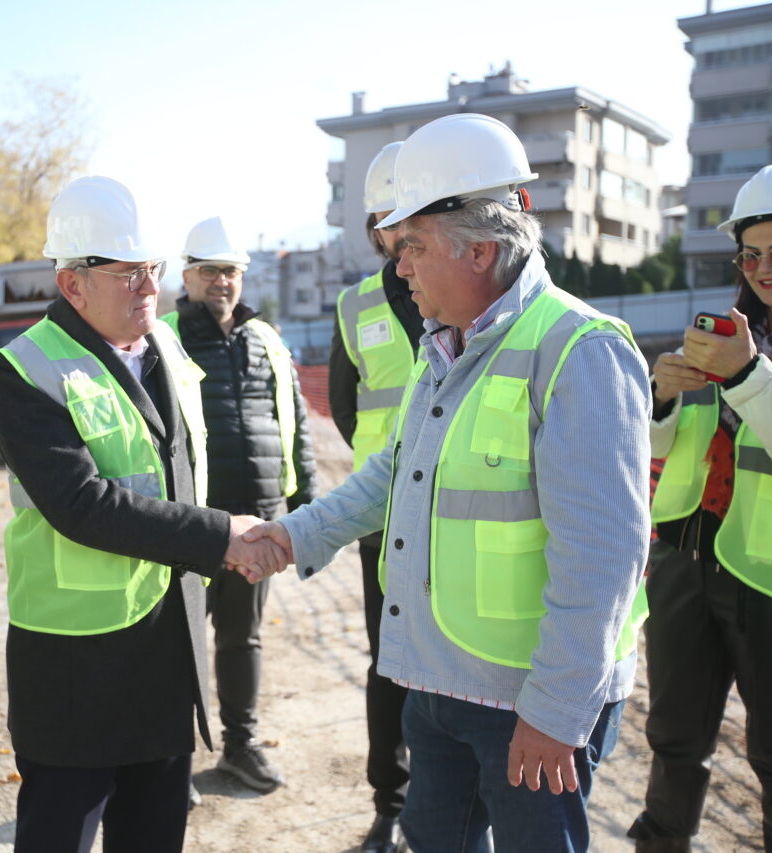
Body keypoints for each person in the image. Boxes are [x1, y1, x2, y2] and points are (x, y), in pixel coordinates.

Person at [244, 113, 651, 852]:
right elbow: (393, 473)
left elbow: (604, 555)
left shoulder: (580, 350)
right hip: (438, 683)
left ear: (480, 250)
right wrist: (296, 534)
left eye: (414, 247)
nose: (400, 268)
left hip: (527, 699)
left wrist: (556, 710)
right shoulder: (444, 346)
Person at [0, 176, 284, 853]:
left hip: (168, 649)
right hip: (75, 665)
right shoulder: (20, 371)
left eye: (153, 268)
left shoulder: (167, 348)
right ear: (73, 283)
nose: (149, 286)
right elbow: (80, 504)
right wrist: (221, 536)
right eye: (127, 272)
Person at [627, 164, 772, 852]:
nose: (764, 267)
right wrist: (661, 395)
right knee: (673, 740)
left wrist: (744, 370)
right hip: (685, 560)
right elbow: (661, 445)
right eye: (750, 254)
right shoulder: (724, 336)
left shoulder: (752, 353)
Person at [162, 216, 317, 795]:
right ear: (188, 276)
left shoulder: (267, 339)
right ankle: (171, 762)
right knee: (178, 644)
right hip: (193, 524)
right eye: (209, 271)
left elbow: (295, 421)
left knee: (241, 638)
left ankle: (239, 747)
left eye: (229, 271)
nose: (220, 281)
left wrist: (304, 506)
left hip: (259, 517)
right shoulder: (162, 339)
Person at [328, 140, 425, 853]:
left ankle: (447, 805)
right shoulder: (354, 304)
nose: (397, 231)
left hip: (466, 514)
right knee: (389, 663)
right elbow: (343, 407)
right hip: (384, 518)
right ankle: (390, 806)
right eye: (387, 220)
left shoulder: (465, 292)